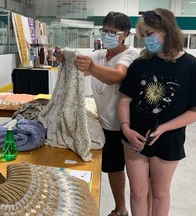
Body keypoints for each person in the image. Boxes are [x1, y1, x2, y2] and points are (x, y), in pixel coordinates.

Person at [118, 8, 196, 216]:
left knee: (160, 193)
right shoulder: (140, 64)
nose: (145, 39)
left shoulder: (192, 67)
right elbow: (124, 99)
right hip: (135, 138)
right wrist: (126, 128)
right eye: (143, 35)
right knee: (137, 193)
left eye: (149, 33)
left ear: (167, 31)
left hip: (168, 139)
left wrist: (163, 128)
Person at [58, 11, 139, 216]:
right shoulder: (99, 55)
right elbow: (79, 70)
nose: (107, 35)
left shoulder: (130, 55)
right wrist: (64, 59)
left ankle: (129, 209)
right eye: (105, 31)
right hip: (105, 123)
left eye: (113, 32)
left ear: (125, 34)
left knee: (134, 173)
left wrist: (92, 68)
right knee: (113, 167)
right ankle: (120, 208)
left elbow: (118, 76)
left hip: (125, 124)